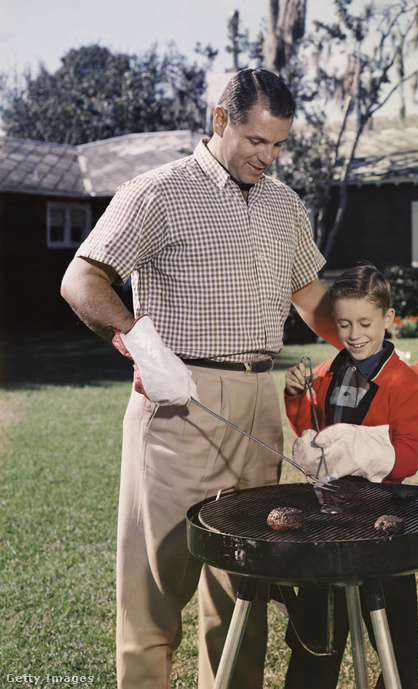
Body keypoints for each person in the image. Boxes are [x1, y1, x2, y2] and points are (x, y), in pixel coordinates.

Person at [60, 68, 342, 689]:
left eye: (278, 145)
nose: (267, 157)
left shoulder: (284, 205)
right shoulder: (157, 192)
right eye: (256, 141)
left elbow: (312, 297)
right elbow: (81, 280)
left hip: (259, 401)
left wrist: (367, 345)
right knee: (155, 591)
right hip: (178, 405)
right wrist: (140, 343)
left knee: (244, 587)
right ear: (220, 120)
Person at [281, 264, 418, 689]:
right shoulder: (329, 372)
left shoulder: (407, 384)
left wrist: (358, 446)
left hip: (386, 520)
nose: (354, 333)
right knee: (318, 625)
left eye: (366, 323)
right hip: (329, 519)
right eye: (344, 323)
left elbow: (410, 456)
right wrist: (298, 397)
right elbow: (311, 430)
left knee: (394, 630)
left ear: (388, 318)